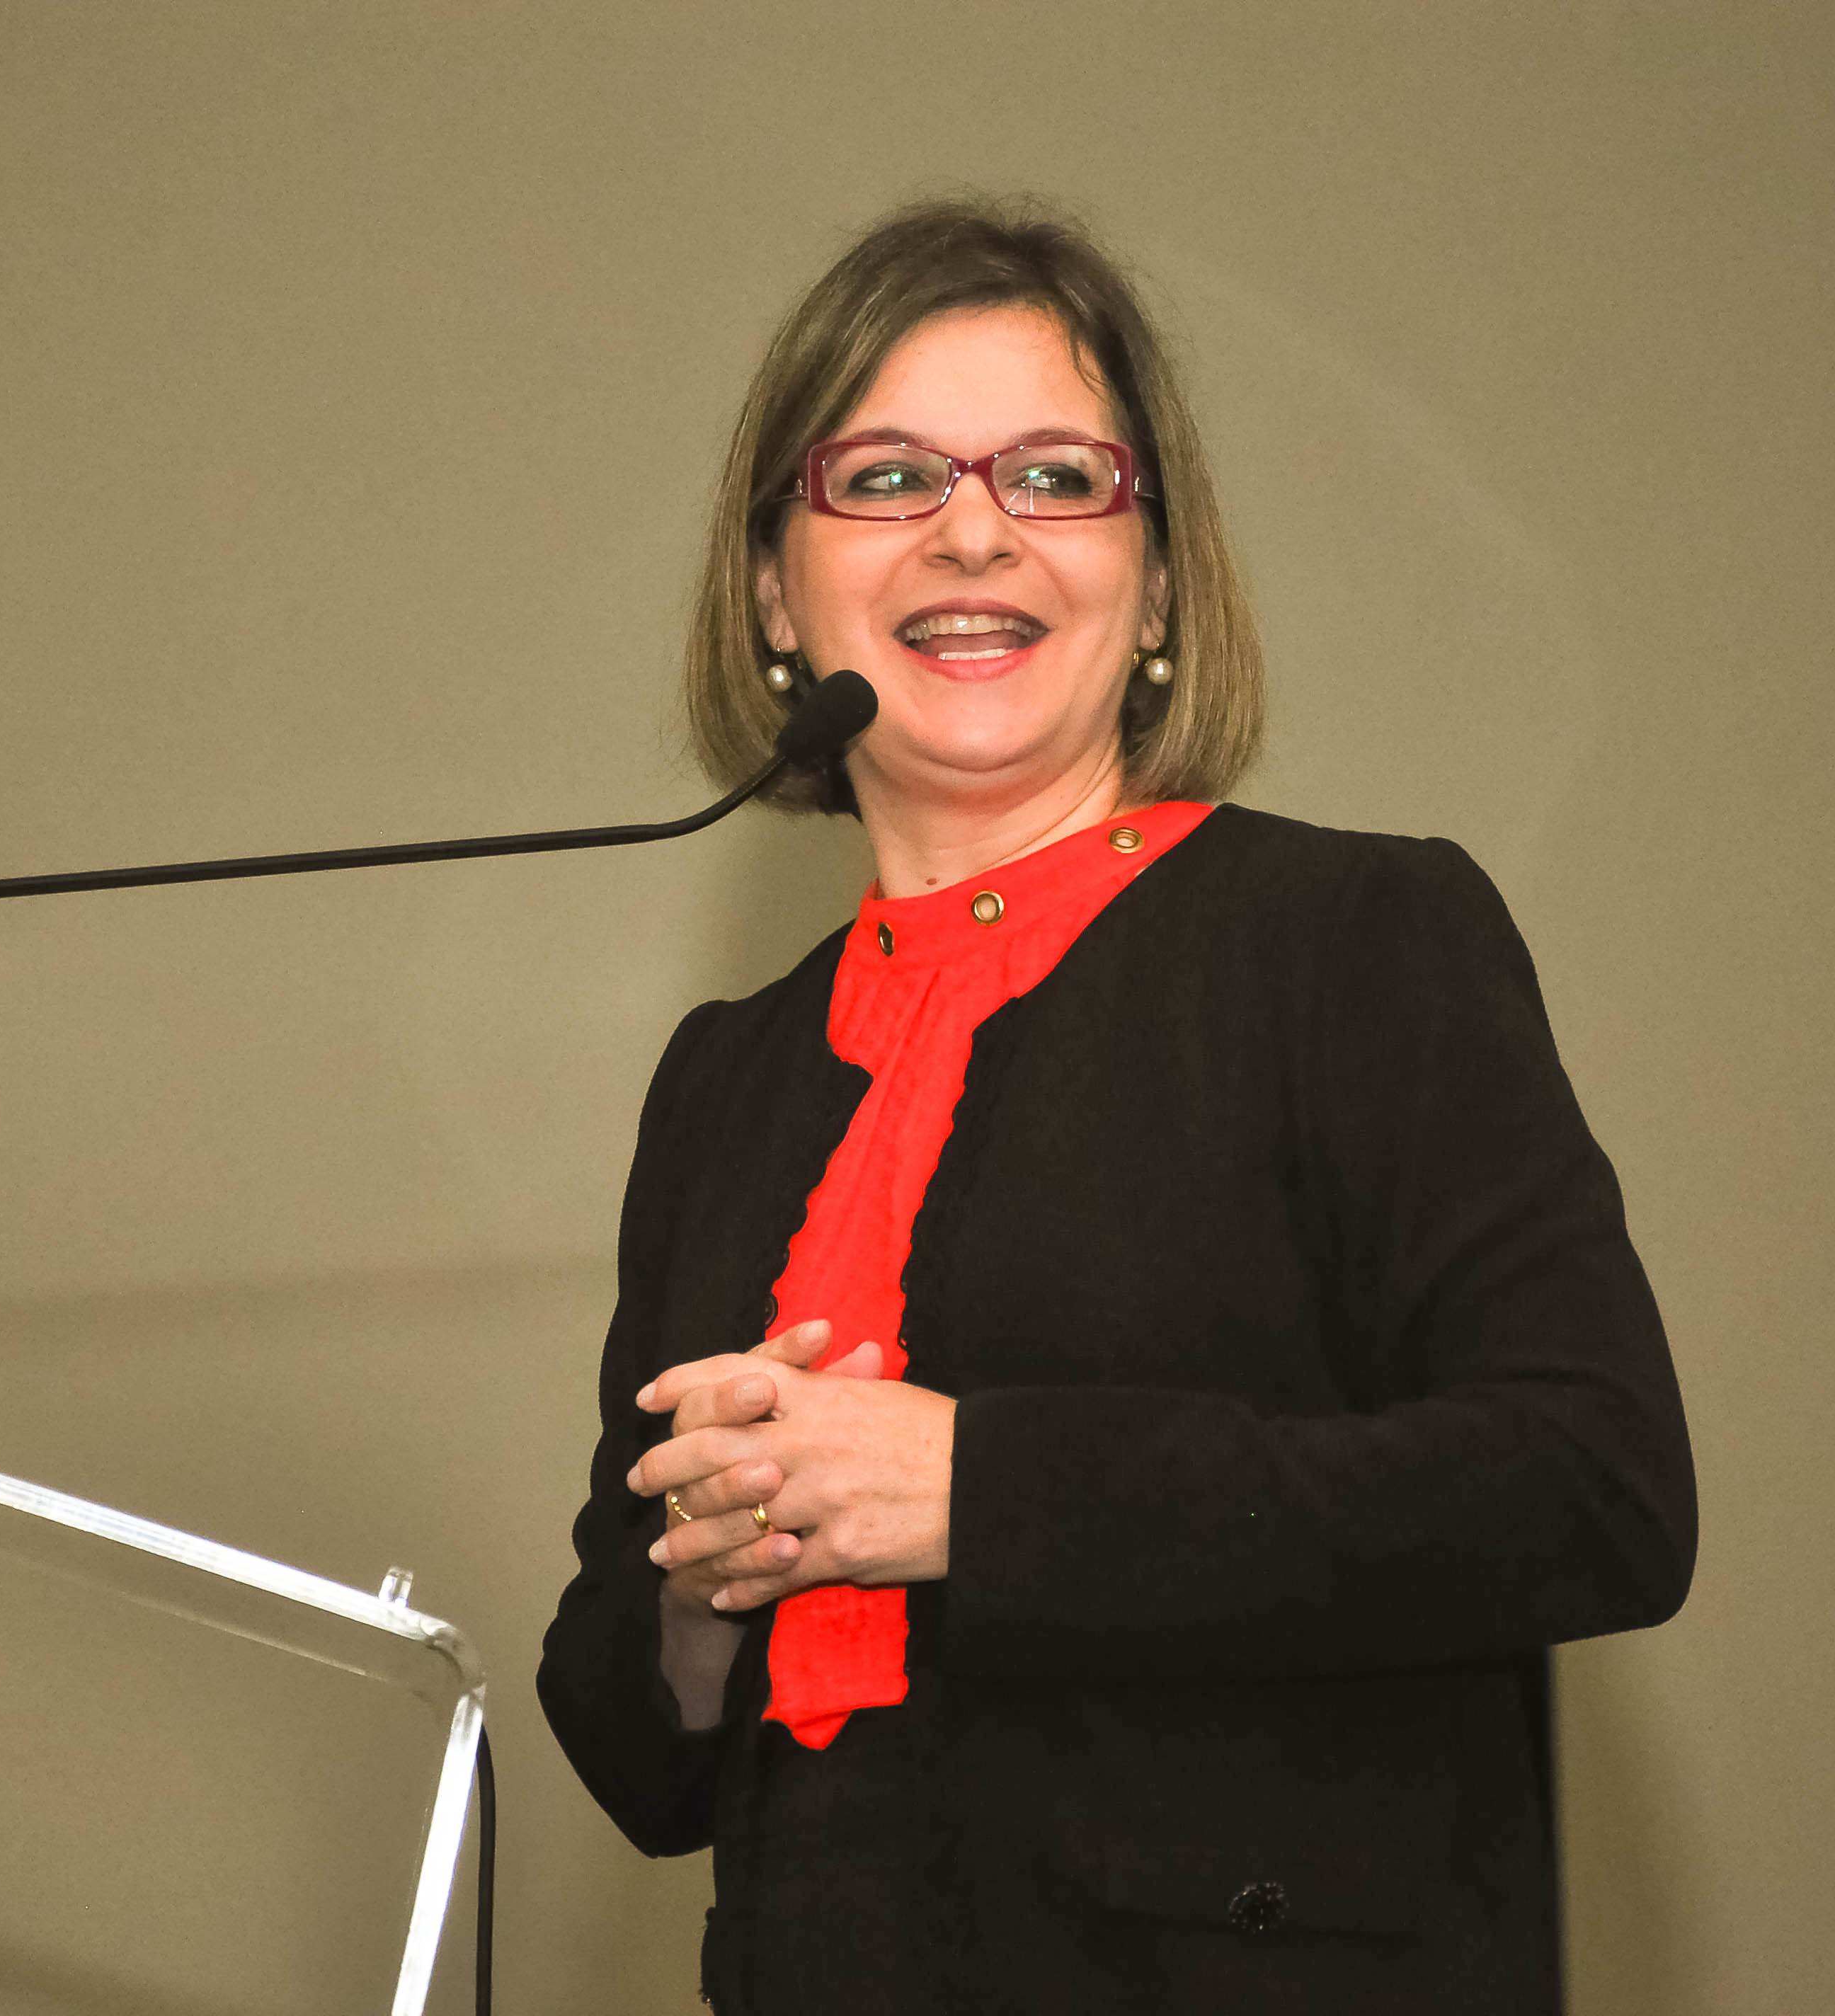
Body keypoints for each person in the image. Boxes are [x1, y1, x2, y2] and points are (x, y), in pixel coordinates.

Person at [537, 197, 1693, 2016]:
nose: (970, 528)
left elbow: (1588, 1487)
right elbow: (631, 1744)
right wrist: (701, 1589)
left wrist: (972, 1487)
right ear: (771, 590)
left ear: (1155, 586)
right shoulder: (725, 1079)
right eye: (884, 475)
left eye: (1056, 477)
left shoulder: (1347, 938)